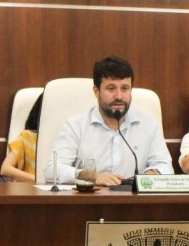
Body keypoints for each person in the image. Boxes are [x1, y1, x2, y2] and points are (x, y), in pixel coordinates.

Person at [45, 56, 172, 187]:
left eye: (125, 88)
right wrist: (92, 177)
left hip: (134, 203)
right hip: (88, 202)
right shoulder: (76, 126)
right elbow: (52, 170)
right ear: (96, 91)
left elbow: (165, 166)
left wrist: (151, 174)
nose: (119, 96)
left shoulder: (149, 125)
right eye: (111, 88)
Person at [0, 92, 42, 183]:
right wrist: (38, 180)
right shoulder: (27, 137)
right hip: (31, 191)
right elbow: (5, 169)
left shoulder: (69, 139)